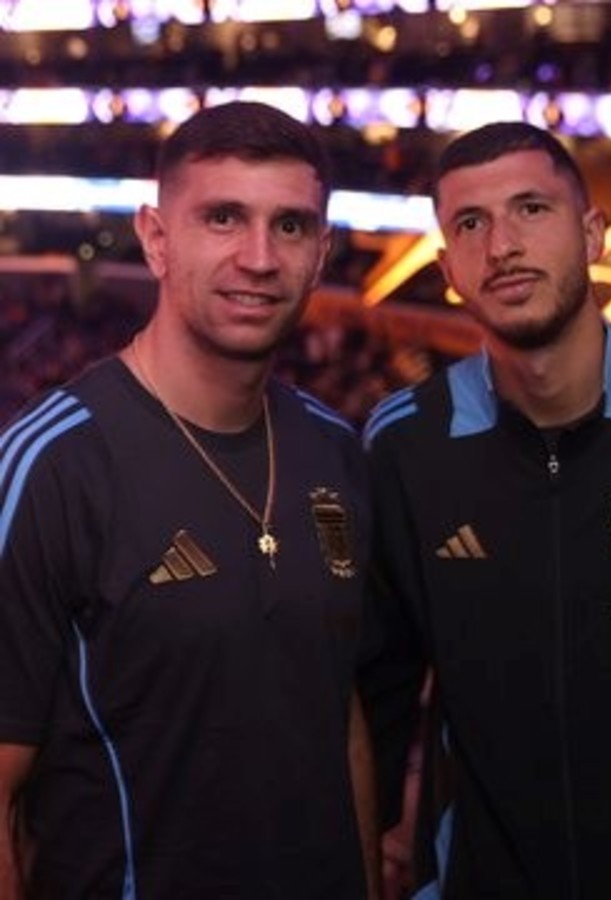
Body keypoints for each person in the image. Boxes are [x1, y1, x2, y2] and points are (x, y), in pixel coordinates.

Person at [0, 100, 380, 899]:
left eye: (291, 226)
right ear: (155, 238)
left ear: (321, 253)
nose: (258, 257)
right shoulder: (53, 465)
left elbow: (338, 714)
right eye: (222, 217)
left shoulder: (335, 450)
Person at [362, 120, 611, 898]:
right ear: (450, 266)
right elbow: (375, 704)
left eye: (532, 209)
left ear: (592, 234)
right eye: (471, 224)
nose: (502, 247)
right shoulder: (405, 445)